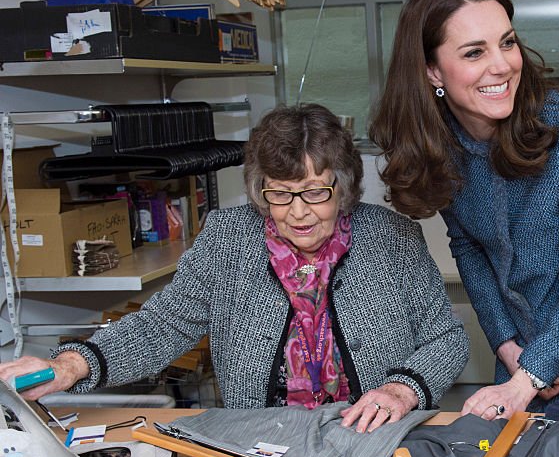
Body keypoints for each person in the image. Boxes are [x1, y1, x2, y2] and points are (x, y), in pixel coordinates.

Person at [0, 104, 469, 433]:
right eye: (279, 194)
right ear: (258, 190)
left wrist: (402, 390)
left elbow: (445, 338)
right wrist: (72, 363)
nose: (298, 212)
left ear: (343, 189)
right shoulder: (229, 237)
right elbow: (163, 324)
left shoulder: (394, 238)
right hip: (260, 442)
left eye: (314, 192)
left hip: (373, 436)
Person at [369, 0, 559, 418]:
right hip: (520, 350)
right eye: (473, 52)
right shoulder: (437, 147)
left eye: (507, 42)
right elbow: (469, 247)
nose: (502, 65)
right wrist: (505, 344)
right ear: (431, 71)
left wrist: (530, 375)